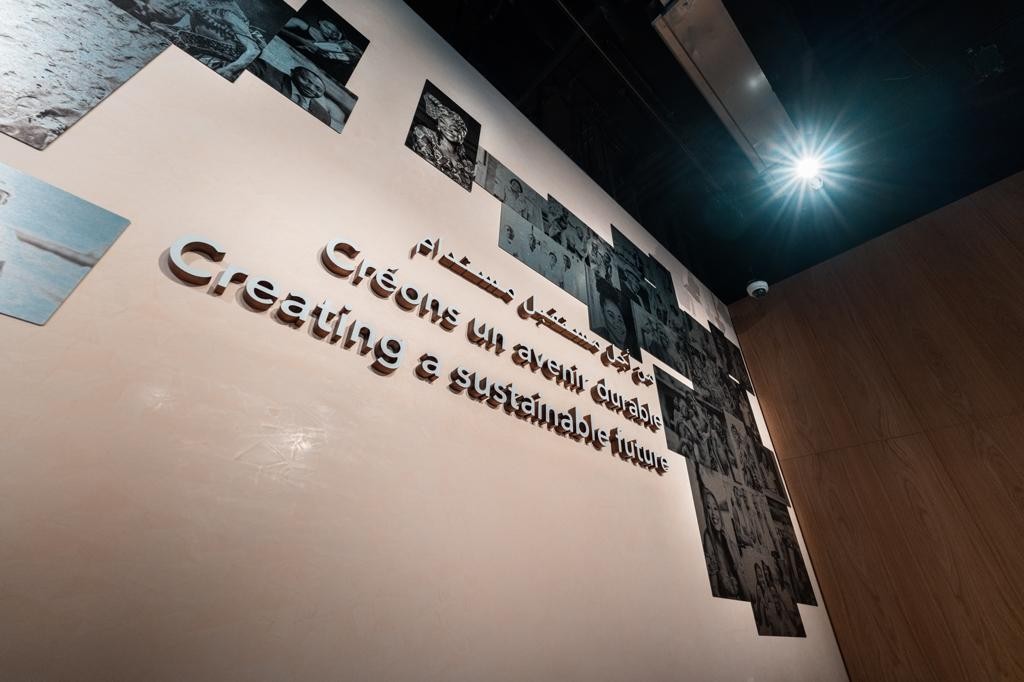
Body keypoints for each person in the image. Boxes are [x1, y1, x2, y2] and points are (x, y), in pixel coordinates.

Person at [110, 0, 265, 80]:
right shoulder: (176, 28)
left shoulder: (222, 14)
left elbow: (253, 49)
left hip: (248, 68)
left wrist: (230, 69)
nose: (164, 6)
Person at [410, 93, 476, 189]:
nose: (452, 130)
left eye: (456, 127)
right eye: (444, 123)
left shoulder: (467, 164)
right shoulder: (425, 135)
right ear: (439, 126)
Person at [249, 60, 333, 127]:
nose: (310, 87)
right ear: (292, 73)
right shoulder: (266, 70)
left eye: (318, 88)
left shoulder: (324, 116)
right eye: (306, 80)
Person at [701, 486, 743, 599]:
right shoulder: (708, 537)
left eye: (715, 508)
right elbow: (715, 590)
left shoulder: (727, 537)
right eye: (708, 508)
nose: (713, 514)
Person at [281, 15, 363, 71]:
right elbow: (298, 22)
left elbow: (355, 57)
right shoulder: (321, 37)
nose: (327, 31)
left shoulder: (347, 42)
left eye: (327, 26)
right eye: (323, 29)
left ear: (335, 24)